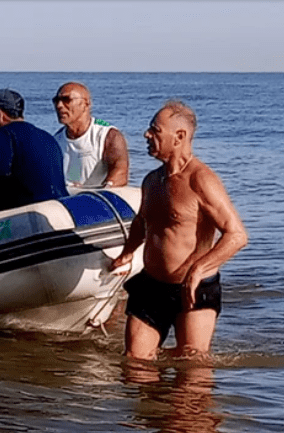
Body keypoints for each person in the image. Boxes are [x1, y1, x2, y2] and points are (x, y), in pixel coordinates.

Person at [110, 100, 248, 360]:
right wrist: (126, 254)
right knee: (134, 363)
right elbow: (142, 223)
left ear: (179, 136)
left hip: (193, 288)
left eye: (155, 130)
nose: (146, 135)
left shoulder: (201, 179)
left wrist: (198, 270)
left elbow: (237, 235)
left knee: (192, 369)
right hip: (151, 286)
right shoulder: (152, 180)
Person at [0, 89, 68, 215]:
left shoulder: (6, 132)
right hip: (61, 206)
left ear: (0, 115)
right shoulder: (47, 136)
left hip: (31, 211)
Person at [52, 82, 129, 188]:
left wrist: (105, 188)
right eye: (56, 101)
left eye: (66, 100)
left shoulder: (108, 135)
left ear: (86, 104)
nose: (59, 106)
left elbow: (120, 173)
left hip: (95, 200)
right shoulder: (55, 140)